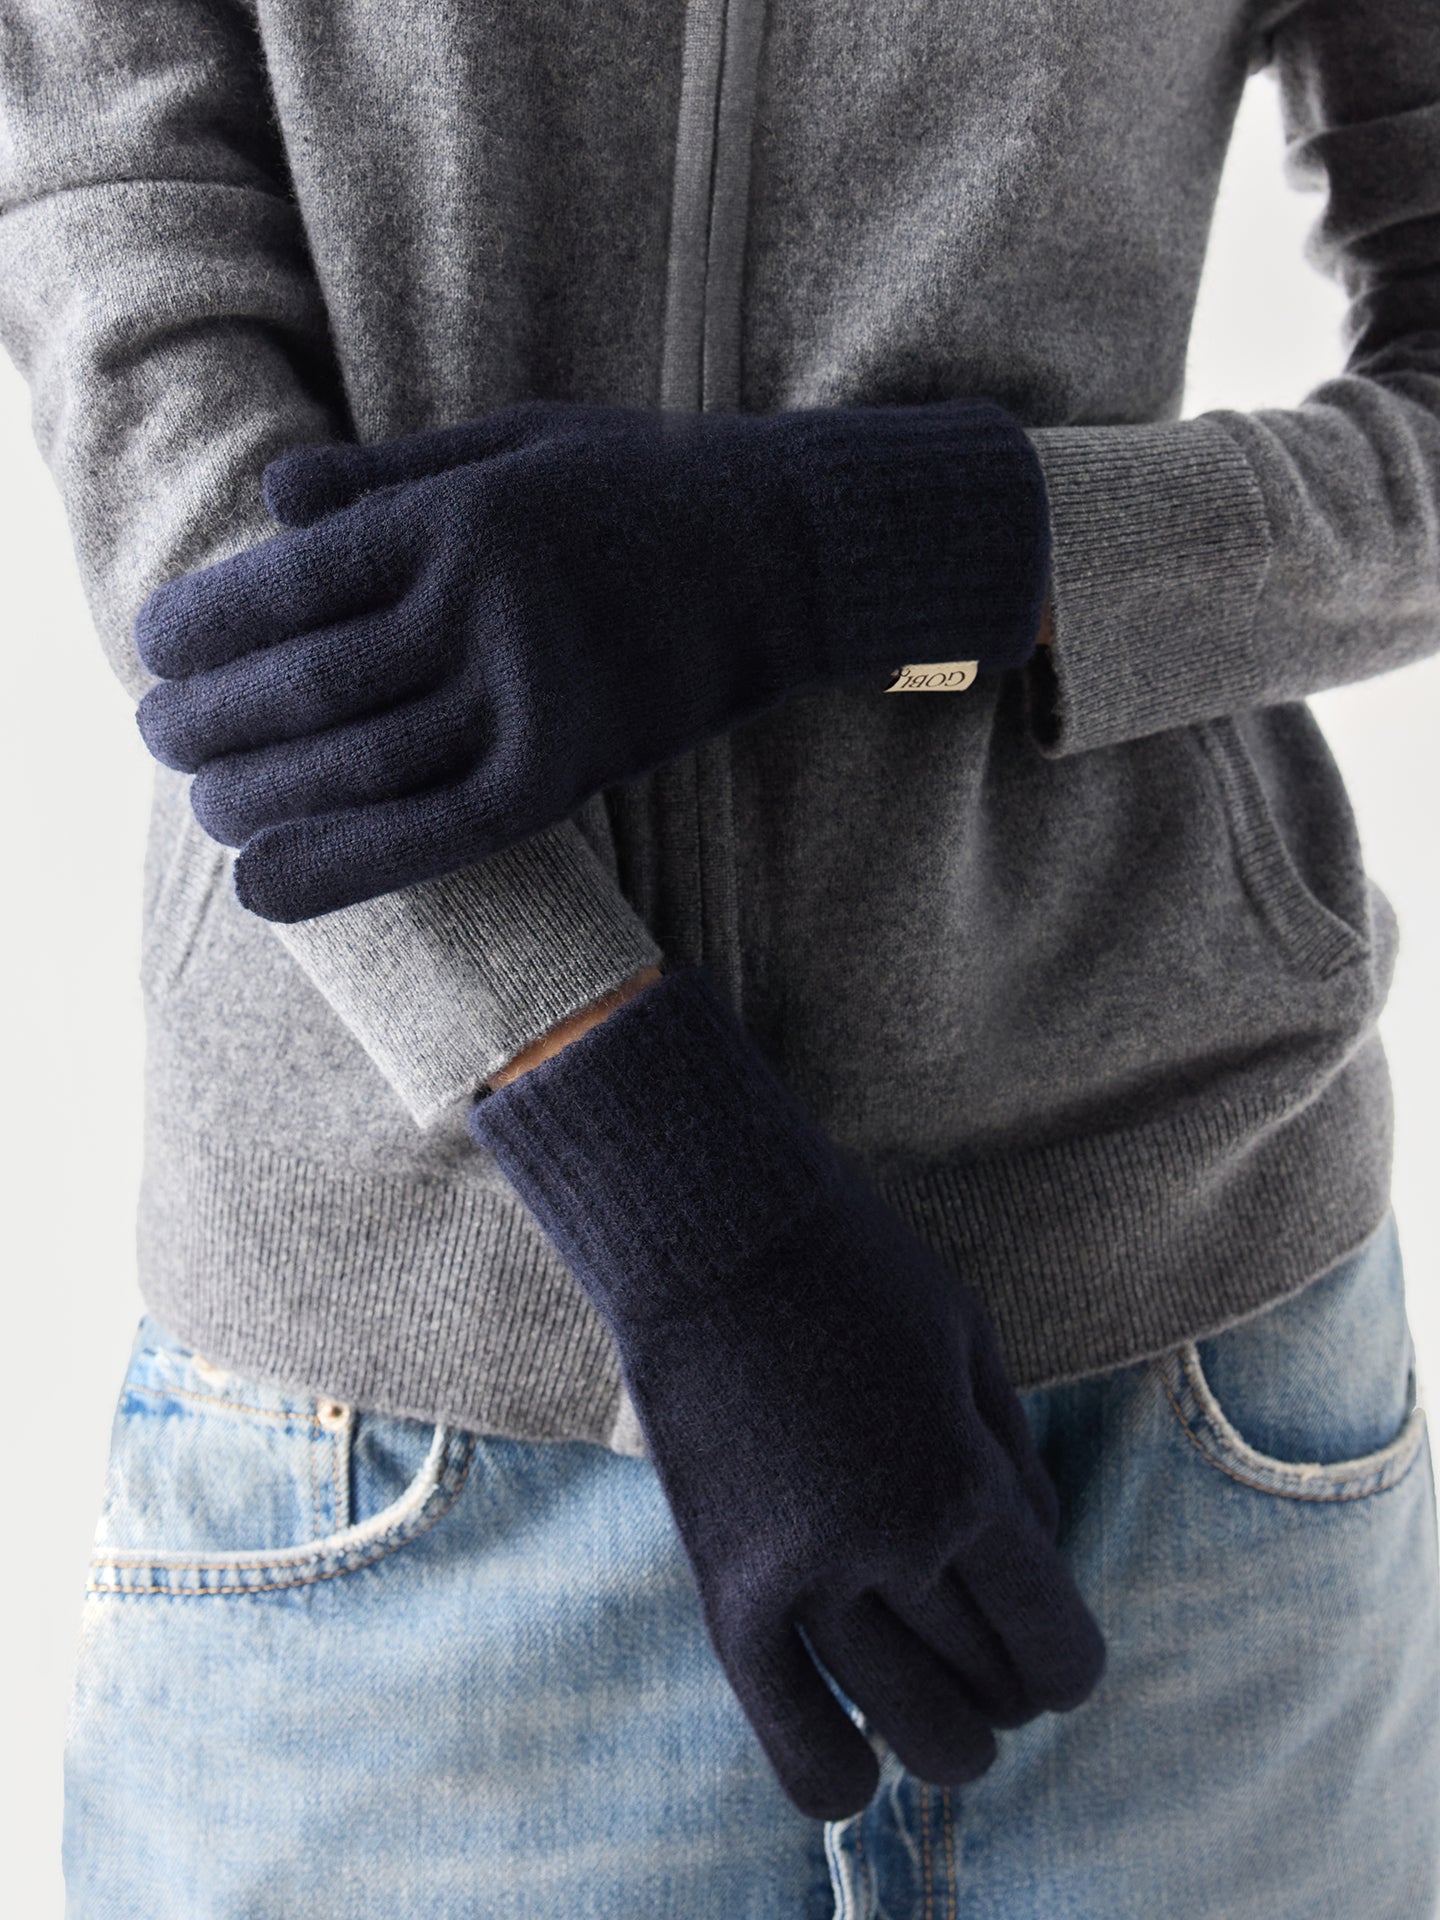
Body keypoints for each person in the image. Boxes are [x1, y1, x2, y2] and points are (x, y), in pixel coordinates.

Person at [3, 0, 1438, 1911]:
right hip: (401, 1466)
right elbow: (129, 279)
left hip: (1192, 1421)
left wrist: (875, 554)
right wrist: (656, 1168)